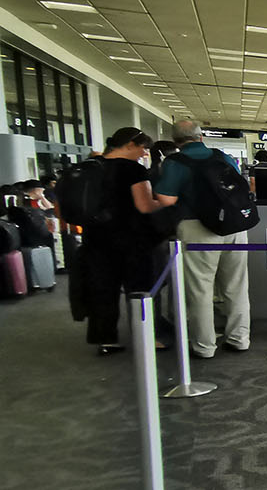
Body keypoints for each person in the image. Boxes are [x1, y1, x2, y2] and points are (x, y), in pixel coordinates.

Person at [153, 118, 250, 358]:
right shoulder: (223, 157)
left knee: (200, 289)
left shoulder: (175, 162)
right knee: (236, 286)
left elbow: (167, 200)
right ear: (201, 137)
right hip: (234, 225)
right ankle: (240, 338)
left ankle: (204, 346)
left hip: (197, 228)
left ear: (176, 141)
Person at [82, 128, 170, 354]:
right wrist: (165, 203)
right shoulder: (133, 170)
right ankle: (146, 337)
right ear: (130, 144)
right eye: (143, 148)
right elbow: (144, 205)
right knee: (139, 289)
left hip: (95, 238)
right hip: (131, 238)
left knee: (104, 289)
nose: (144, 153)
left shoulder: (88, 168)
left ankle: (106, 340)